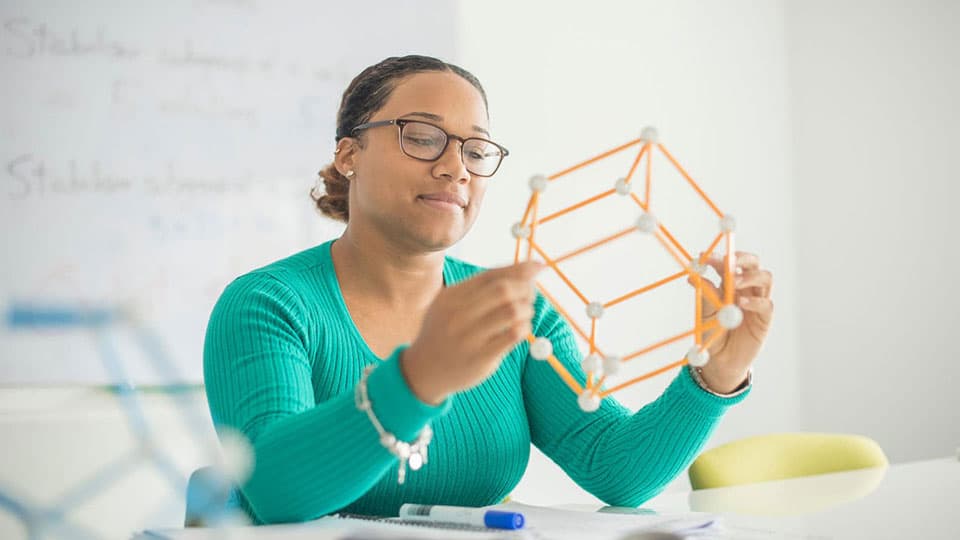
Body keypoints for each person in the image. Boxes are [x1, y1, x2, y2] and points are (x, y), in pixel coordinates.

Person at [203, 55, 774, 525]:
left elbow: (614, 470)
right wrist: (418, 380)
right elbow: (276, 493)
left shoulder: (518, 312)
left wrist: (714, 377)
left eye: (475, 151)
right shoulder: (267, 305)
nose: (456, 168)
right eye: (422, 137)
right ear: (349, 154)